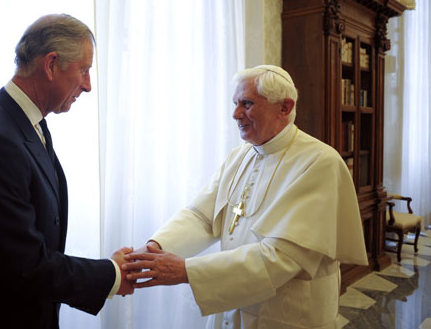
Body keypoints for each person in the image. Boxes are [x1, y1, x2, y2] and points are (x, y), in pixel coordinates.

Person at [123, 65, 368, 329]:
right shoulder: (240, 156)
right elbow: (202, 216)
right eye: (235, 103)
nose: (235, 114)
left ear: (284, 108)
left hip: (289, 315)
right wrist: (155, 248)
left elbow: (282, 258)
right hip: (236, 306)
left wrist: (186, 271)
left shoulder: (320, 163)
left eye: (247, 104)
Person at [0, 14, 133, 329]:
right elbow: (26, 265)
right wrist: (112, 274)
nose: (88, 85)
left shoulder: (24, 122)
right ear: (51, 65)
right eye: (83, 70)